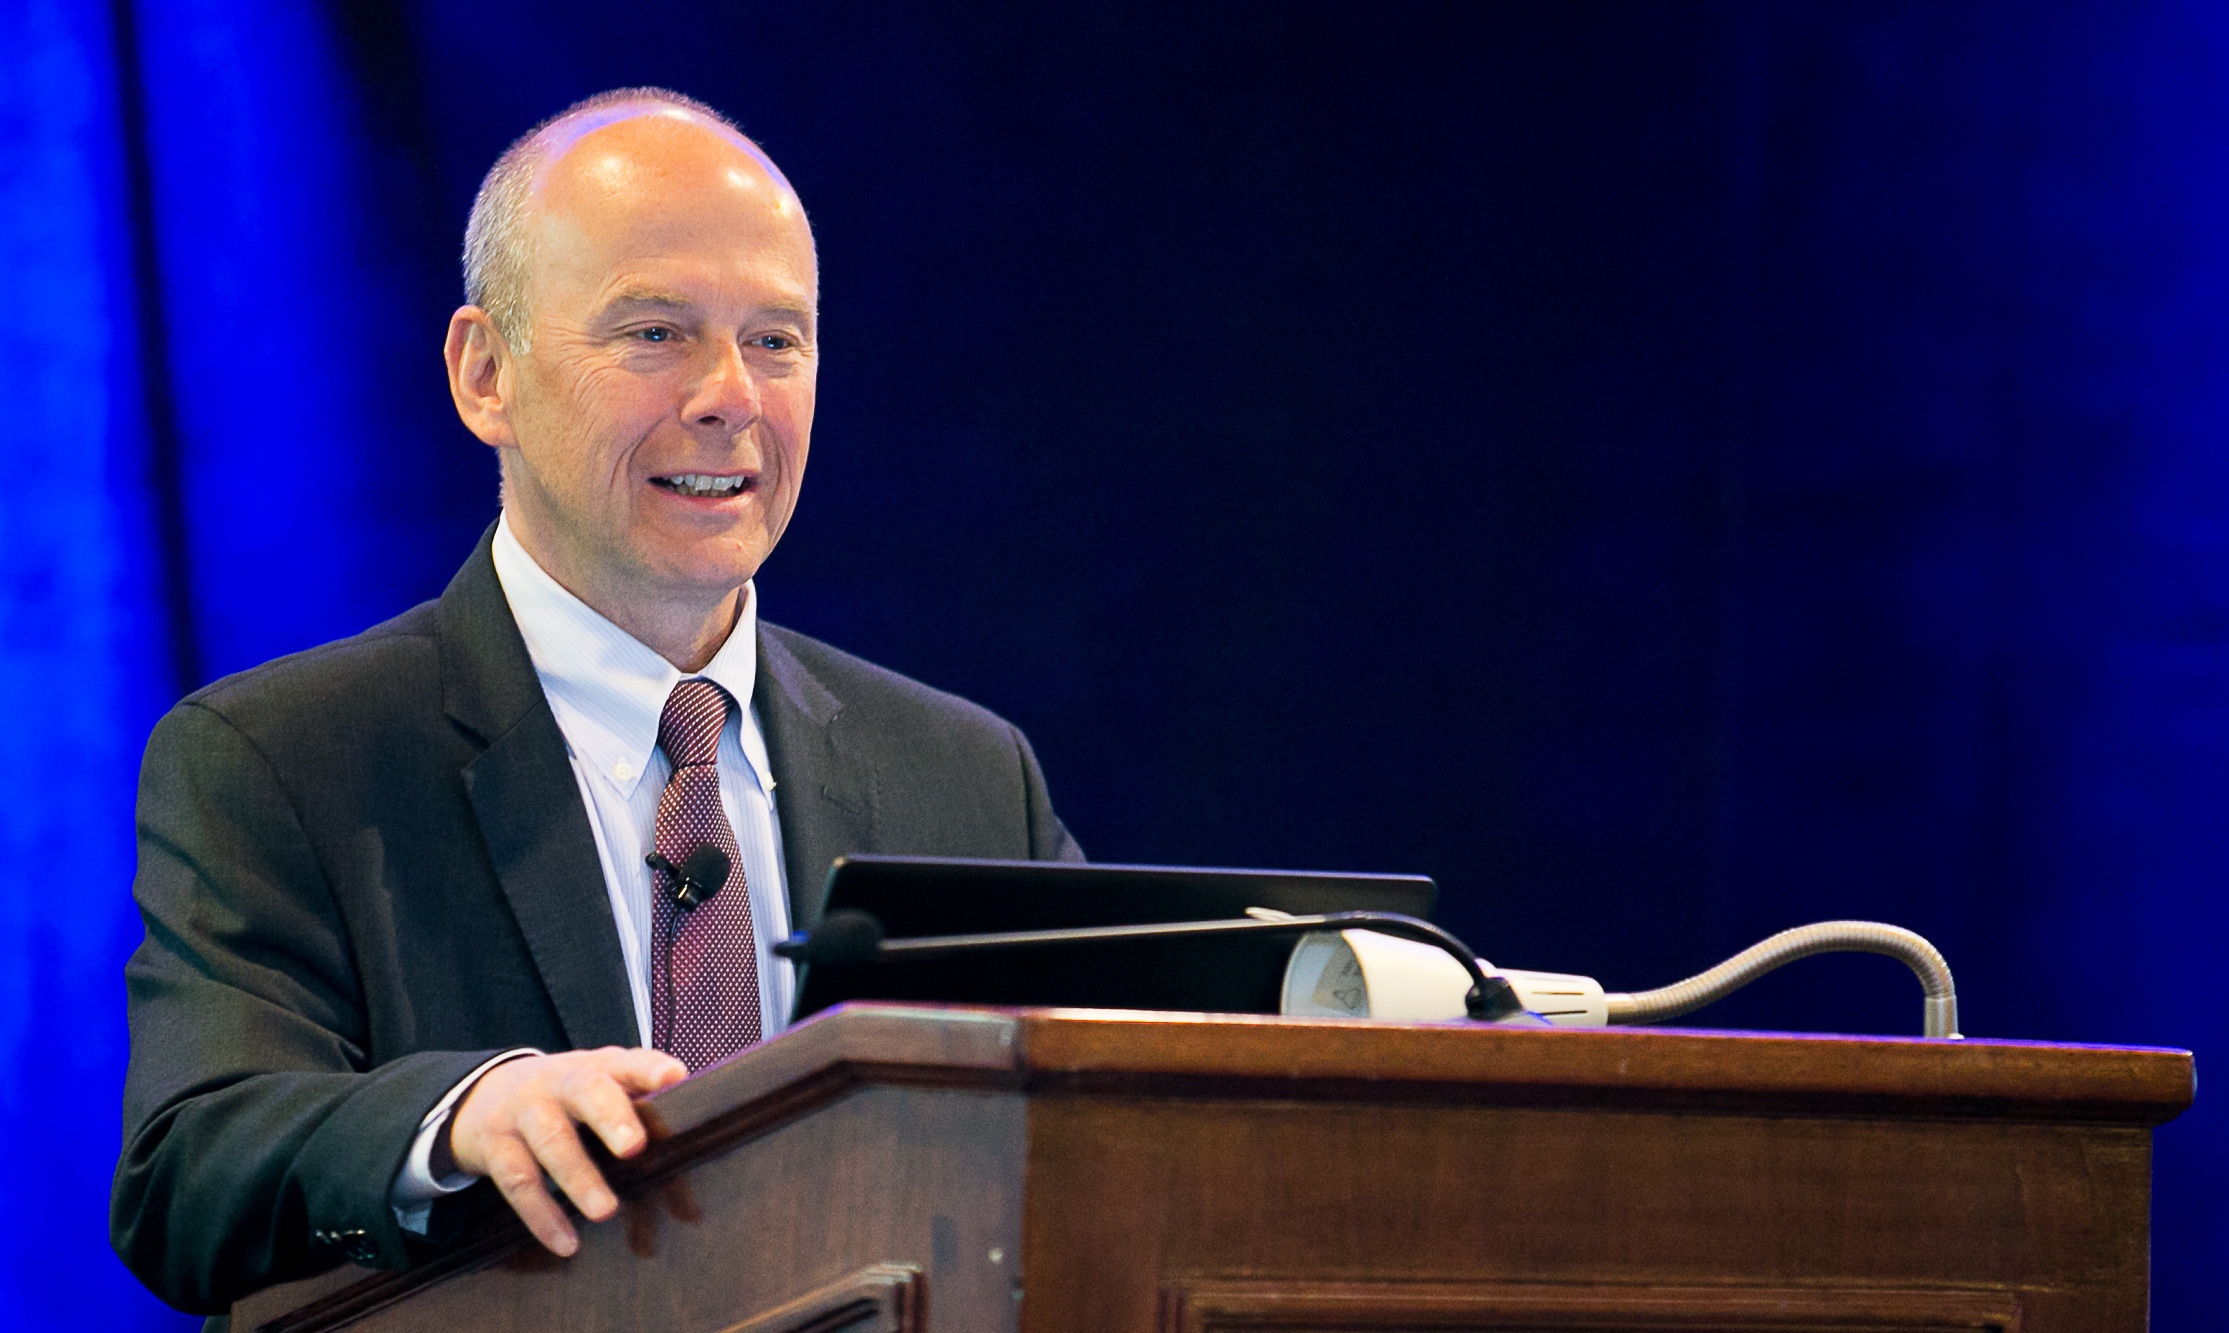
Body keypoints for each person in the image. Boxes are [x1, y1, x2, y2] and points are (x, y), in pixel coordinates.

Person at [110, 87, 1081, 1318]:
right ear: (486, 376)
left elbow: (1105, 1121)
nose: (731, 395)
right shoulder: (285, 761)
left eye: (777, 340)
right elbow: (190, 1170)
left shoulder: (966, 773)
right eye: (656, 332)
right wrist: (457, 1120)